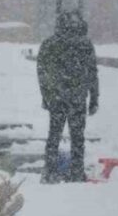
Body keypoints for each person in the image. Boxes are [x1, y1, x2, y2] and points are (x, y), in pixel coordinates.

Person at [37, 10, 99, 183]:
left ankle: (50, 172)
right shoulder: (85, 44)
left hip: (57, 98)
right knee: (78, 138)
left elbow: (42, 74)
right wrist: (94, 99)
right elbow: (92, 73)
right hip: (77, 98)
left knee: (54, 135)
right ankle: (77, 172)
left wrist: (46, 96)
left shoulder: (49, 44)